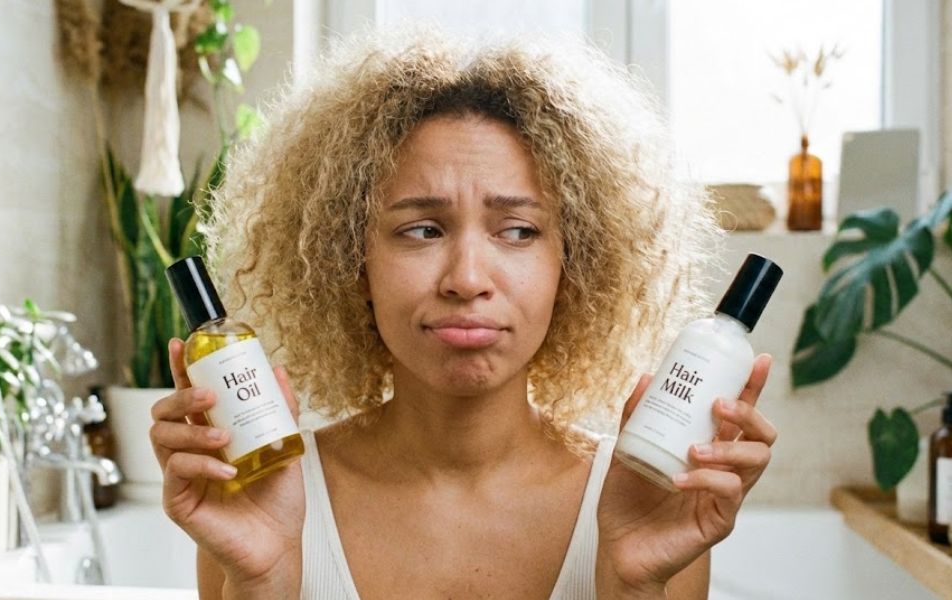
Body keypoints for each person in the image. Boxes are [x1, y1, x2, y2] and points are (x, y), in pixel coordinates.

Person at [149, 29, 776, 599]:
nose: (468, 279)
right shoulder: (263, 497)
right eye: (423, 230)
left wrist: (633, 583)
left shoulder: (650, 501)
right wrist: (263, 582)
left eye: (519, 231)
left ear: (574, 265)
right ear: (352, 261)